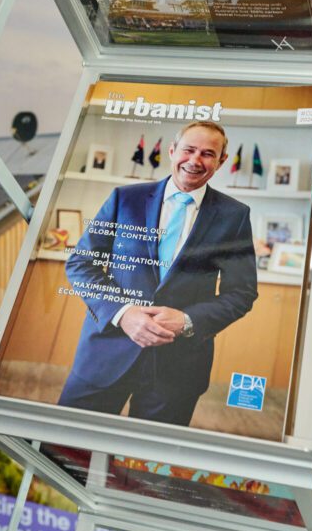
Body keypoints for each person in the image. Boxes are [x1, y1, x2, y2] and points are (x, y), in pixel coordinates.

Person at [58, 122, 257, 425]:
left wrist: (187, 320)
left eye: (207, 154)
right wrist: (123, 313)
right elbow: (81, 263)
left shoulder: (235, 216)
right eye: (189, 150)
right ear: (172, 151)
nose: (195, 160)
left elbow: (241, 292)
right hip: (105, 354)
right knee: (66, 443)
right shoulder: (125, 198)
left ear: (221, 161)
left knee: (149, 457)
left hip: (178, 368)